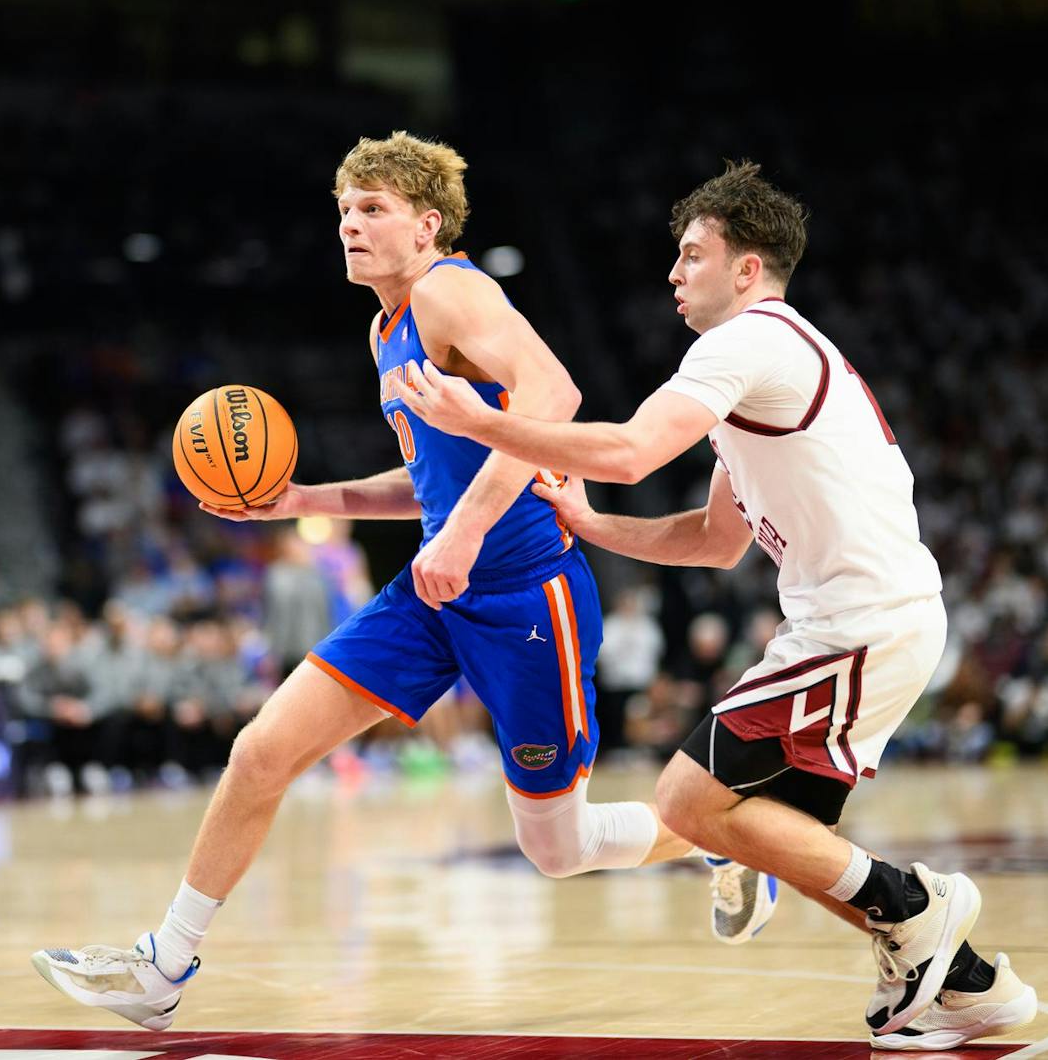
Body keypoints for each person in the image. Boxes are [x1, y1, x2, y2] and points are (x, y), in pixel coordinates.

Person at [33, 131, 723, 1031]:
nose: (350, 227)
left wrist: (465, 535)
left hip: (523, 591)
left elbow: (554, 395)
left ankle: (722, 834)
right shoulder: (384, 327)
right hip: (432, 593)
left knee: (556, 848)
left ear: (426, 223)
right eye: (343, 212)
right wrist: (305, 498)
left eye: (372, 210)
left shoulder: (451, 289)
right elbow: (429, 479)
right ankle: (163, 963)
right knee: (262, 750)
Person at [398, 160, 1037, 1050]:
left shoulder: (749, 341)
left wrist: (482, 421)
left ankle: (920, 901)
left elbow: (626, 448)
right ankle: (975, 988)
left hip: (860, 621)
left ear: (746, 269)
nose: (673, 272)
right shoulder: (759, 376)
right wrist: (591, 522)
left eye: (693, 254)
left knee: (689, 802)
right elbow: (713, 539)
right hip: (857, 624)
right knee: (774, 833)